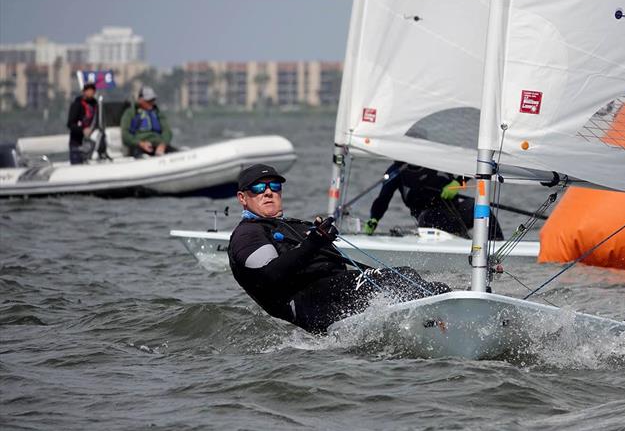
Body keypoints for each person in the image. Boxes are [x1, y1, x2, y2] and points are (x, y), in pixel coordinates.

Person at [228, 164, 449, 333]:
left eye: (274, 186)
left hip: (334, 291)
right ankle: (439, 321)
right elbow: (269, 275)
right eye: (258, 188)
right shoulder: (248, 234)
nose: (268, 192)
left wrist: (316, 237)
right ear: (242, 198)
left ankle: (445, 317)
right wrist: (314, 242)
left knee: (412, 278)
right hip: (309, 304)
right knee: (396, 281)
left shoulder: (290, 224)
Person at [364, 161, 504, 240]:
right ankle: (464, 243)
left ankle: (496, 243)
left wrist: (458, 183)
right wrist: (374, 218)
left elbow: (472, 166)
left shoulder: (435, 159)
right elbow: (383, 198)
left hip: (455, 210)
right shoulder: (397, 170)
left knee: (478, 206)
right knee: (432, 216)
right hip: (426, 216)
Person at [120, 86, 175, 158]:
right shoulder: (130, 113)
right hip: (139, 147)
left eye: (153, 100)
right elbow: (125, 136)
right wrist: (141, 143)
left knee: (175, 153)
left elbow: (167, 131)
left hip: (158, 145)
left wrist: (162, 145)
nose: (151, 103)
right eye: (148, 100)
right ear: (140, 100)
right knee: (139, 154)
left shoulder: (157, 113)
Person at [66, 82, 98, 164]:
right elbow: (70, 124)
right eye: (89, 90)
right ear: (84, 91)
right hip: (76, 143)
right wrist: (82, 130)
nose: (91, 93)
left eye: (92, 91)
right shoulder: (77, 105)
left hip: (90, 142)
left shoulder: (95, 105)